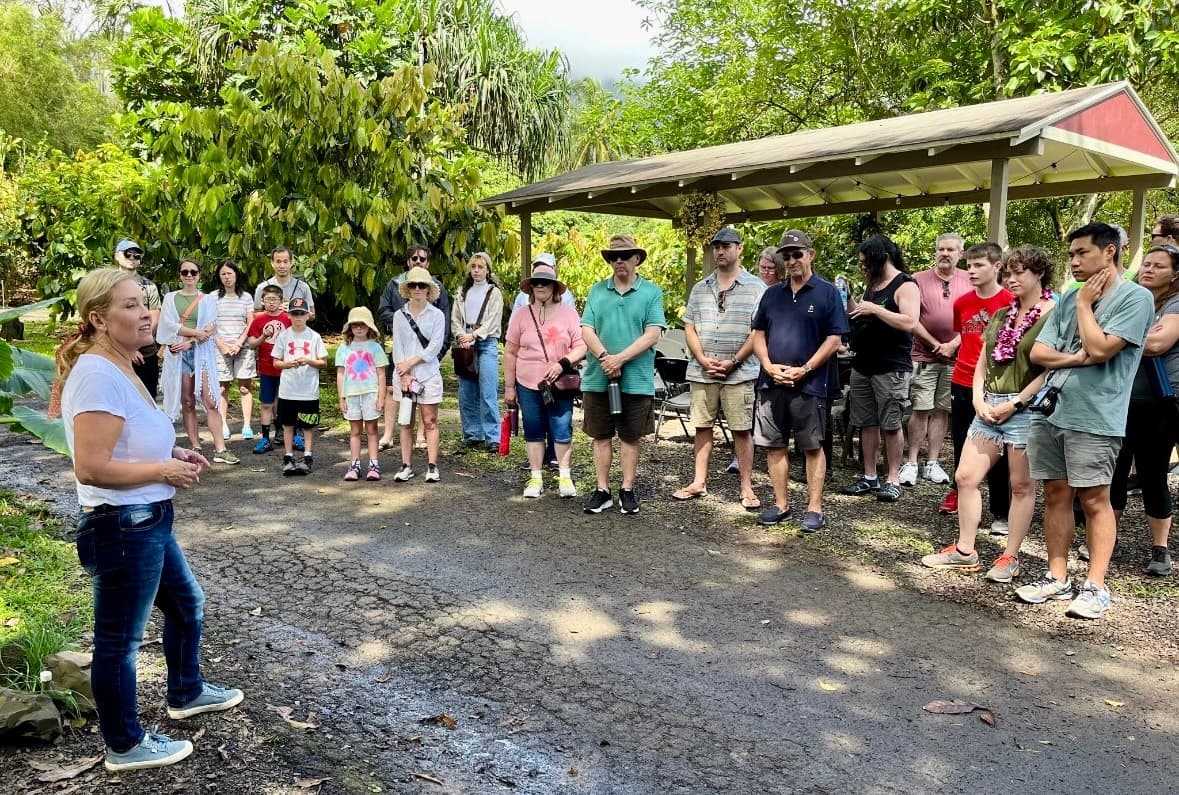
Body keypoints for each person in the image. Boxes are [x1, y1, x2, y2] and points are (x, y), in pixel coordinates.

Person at [55, 268, 243, 772]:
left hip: (146, 518)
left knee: (186, 605)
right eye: (132, 305)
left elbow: (129, 439)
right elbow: (91, 466)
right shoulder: (97, 374)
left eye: (145, 303)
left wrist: (174, 451)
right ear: (99, 318)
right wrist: (162, 469)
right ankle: (124, 744)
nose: (145, 314)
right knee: (119, 643)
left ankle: (186, 691)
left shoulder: (120, 366)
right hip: (121, 526)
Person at [1017, 222, 1154, 619]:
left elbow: (1102, 348)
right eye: (1072, 254)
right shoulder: (1069, 296)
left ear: (1109, 252)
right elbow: (1039, 353)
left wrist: (1082, 308)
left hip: (1096, 415)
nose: (1074, 262)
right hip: (1052, 410)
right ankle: (1056, 577)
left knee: (1095, 498)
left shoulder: (1136, 298)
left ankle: (1096, 586)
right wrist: (1075, 357)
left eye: (1083, 253)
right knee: (1056, 493)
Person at [922, 246, 1056, 582]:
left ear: (1039, 273)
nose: (1011, 279)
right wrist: (980, 399)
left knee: (1021, 485)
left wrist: (1016, 404)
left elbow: (1049, 370)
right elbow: (982, 359)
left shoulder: (1053, 313)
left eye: (1019, 272)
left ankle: (1010, 556)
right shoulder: (1001, 314)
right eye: (1008, 273)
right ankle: (965, 549)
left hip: (1025, 405)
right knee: (966, 476)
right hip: (988, 400)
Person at [751, 229, 848, 530]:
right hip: (772, 382)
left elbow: (834, 339)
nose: (792, 260)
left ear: (810, 254)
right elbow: (758, 334)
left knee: (812, 446)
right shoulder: (772, 294)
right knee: (774, 444)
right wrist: (767, 365)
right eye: (787, 255)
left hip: (811, 384)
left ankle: (814, 508)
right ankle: (781, 504)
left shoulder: (827, 292)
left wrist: (805, 368)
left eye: (797, 254)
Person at [673, 227, 765, 508]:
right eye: (716, 247)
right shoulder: (701, 287)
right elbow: (689, 326)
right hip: (703, 370)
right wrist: (701, 358)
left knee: (741, 429)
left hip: (740, 372)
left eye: (726, 246)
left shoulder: (756, 288)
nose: (720, 251)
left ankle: (746, 487)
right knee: (702, 426)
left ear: (740, 249)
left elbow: (758, 331)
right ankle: (699, 481)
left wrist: (734, 361)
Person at [580, 234, 667, 515]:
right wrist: (606, 358)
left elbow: (653, 333)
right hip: (598, 375)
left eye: (625, 256)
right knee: (600, 435)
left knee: (631, 436)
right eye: (613, 257)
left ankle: (627, 489)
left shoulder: (651, 292)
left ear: (637, 259)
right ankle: (602, 489)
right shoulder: (597, 291)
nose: (618, 261)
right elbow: (586, 330)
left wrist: (621, 358)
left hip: (636, 377)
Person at [1109, 244, 1179, 576]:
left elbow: (1157, 344)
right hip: (1120, 400)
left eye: (1159, 266)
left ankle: (1160, 549)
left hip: (1160, 405)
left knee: (1153, 475)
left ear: (1175, 274)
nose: (1149, 269)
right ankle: (1106, 539)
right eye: (1146, 263)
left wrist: (1117, 334)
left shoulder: (1176, 304)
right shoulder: (1131, 298)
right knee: (1115, 473)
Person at [842, 234, 919, 502]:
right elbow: (860, 314)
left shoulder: (905, 285)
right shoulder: (873, 285)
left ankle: (893, 478)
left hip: (891, 367)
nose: (863, 267)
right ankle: (869, 476)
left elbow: (910, 322)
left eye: (866, 262)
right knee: (866, 422)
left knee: (891, 423)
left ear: (883, 258)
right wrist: (850, 298)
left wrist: (875, 309)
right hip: (863, 364)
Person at [504, 259, 587, 498]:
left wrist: (563, 364)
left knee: (562, 429)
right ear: (530, 287)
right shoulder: (520, 315)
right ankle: (536, 477)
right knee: (533, 429)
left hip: (559, 384)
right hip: (527, 382)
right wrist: (510, 387)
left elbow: (581, 346)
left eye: (545, 282)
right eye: (536, 282)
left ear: (554, 287)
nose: (540, 286)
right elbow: (510, 351)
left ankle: (564, 476)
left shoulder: (569, 314)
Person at [942, 243, 1013, 523]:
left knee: (998, 448)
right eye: (969, 265)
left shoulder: (1010, 302)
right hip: (962, 381)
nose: (971, 271)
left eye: (979, 265)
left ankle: (1001, 512)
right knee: (961, 444)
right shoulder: (962, 302)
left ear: (997, 267)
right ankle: (963, 497)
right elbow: (964, 336)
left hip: (997, 385)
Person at [901, 233, 971, 489]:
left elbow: (976, 316)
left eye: (950, 249)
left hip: (956, 357)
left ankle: (933, 461)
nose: (945, 253)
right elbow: (911, 318)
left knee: (942, 409)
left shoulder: (968, 279)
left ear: (960, 254)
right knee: (920, 408)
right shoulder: (918, 279)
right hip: (924, 355)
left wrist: (953, 344)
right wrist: (934, 344)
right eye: (941, 249)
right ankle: (911, 461)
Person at [157, 259, 239, 464]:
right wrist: (193, 335)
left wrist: (190, 341)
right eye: (185, 272)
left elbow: (211, 327)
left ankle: (221, 448)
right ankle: (196, 446)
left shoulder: (207, 299)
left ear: (199, 274)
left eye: (193, 272)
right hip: (177, 354)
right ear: (180, 275)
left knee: (210, 399)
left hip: (201, 353)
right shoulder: (170, 298)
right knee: (187, 401)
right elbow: (167, 325)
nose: (189, 275)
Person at [377, 245, 451, 451]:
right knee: (394, 390)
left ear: (428, 262)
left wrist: (438, 350)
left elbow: (444, 322)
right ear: (408, 261)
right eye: (414, 258)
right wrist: (404, 323)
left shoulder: (438, 289)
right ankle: (388, 434)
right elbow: (383, 310)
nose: (418, 261)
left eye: (423, 258)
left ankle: (422, 436)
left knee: (425, 397)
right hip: (401, 350)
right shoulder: (394, 284)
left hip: (427, 354)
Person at [390, 266, 447, 482]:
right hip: (403, 376)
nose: (417, 289)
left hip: (428, 373)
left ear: (428, 289)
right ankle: (406, 465)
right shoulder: (398, 315)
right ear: (407, 288)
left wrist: (410, 364)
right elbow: (398, 346)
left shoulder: (437, 315)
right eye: (413, 285)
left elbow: (435, 347)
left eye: (421, 285)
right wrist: (403, 374)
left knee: (430, 420)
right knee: (405, 421)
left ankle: (432, 466)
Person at [451, 252, 504, 452]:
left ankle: (492, 437)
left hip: (486, 342)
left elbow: (493, 320)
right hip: (465, 343)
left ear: (488, 270)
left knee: (488, 391)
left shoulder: (493, 292)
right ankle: (473, 433)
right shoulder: (462, 292)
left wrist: (474, 335)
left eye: (480, 267)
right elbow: (455, 319)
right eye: (473, 267)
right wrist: (461, 336)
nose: (476, 271)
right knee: (466, 391)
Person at [270, 297, 327, 476]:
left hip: (308, 390)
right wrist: (288, 364)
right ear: (289, 315)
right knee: (287, 425)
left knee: (307, 425)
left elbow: (323, 362)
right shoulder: (284, 336)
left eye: (302, 313)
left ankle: (307, 457)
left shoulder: (314, 336)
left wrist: (309, 360)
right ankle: (288, 457)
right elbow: (275, 362)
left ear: (308, 315)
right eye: (295, 314)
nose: (298, 317)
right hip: (288, 390)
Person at [335, 307, 388, 481]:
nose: (358, 328)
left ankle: (374, 464)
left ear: (369, 327)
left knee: (372, 430)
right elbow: (341, 373)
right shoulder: (344, 348)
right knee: (355, 430)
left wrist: (381, 398)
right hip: (351, 394)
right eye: (355, 325)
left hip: (370, 393)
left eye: (362, 325)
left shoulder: (375, 348)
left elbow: (381, 374)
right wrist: (341, 397)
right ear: (350, 328)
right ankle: (354, 464)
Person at [244, 285, 290, 454]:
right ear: (262, 301)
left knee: (286, 403)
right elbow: (251, 344)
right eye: (268, 299)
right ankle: (265, 438)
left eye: (275, 299)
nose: (271, 303)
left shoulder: (288, 319)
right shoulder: (258, 320)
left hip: (287, 368)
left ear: (281, 301)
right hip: (266, 368)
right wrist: (264, 335)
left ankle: (287, 435)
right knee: (267, 403)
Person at [212, 260, 256, 441]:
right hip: (220, 346)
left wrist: (239, 343)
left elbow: (251, 321)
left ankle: (246, 425)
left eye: (230, 273)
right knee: (222, 387)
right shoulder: (213, 297)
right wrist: (222, 344)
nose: (227, 277)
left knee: (245, 388)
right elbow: (209, 324)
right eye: (223, 274)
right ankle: (223, 424)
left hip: (243, 346)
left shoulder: (246, 297)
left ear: (236, 275)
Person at [113, 238, 162, 398]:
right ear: (117, 256)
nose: (132, 259)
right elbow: (105, 319)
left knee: (148, 400)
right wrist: (127, 348)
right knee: (119, 400)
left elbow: (154, 317)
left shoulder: (149, 286)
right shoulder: (107, 285)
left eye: (136, 256)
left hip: (146, 352)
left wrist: (136, 344)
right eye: (128, 254)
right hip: (116, 352)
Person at [253, 246, 315, 319]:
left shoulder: (303, 287)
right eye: (278, 262)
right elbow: (255, 316)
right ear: (272, 263)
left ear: (291, 263)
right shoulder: (262, 287)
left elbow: (312, 316)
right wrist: (272, 310)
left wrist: (294, 310)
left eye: (285, 262)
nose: (282, 266)